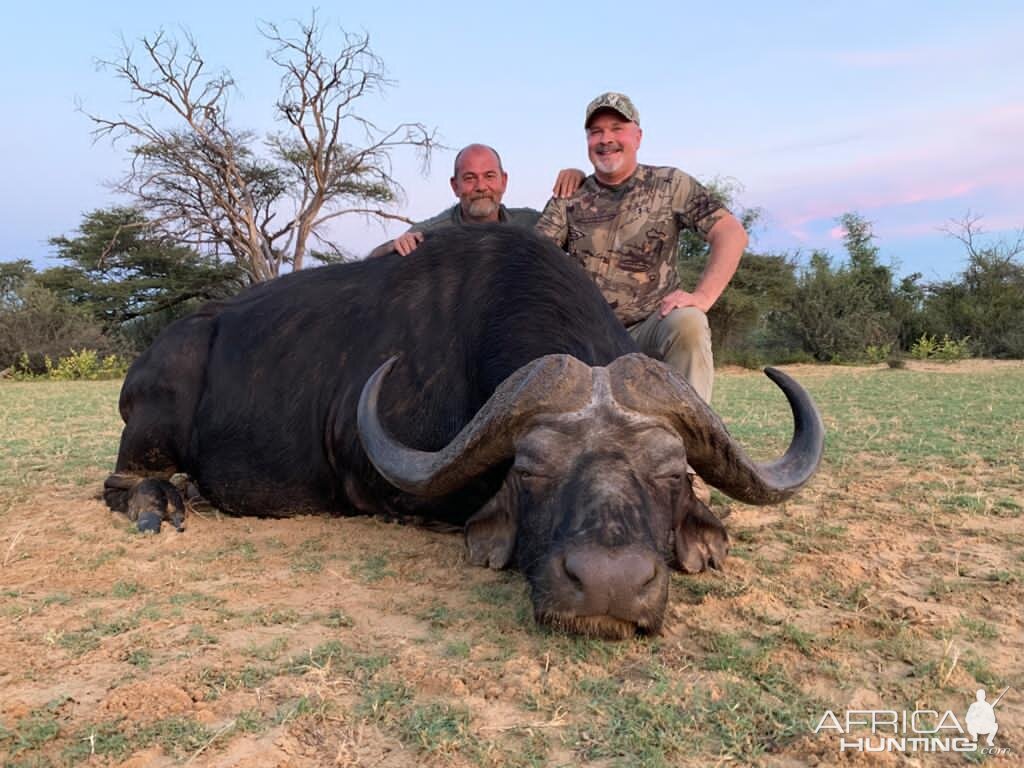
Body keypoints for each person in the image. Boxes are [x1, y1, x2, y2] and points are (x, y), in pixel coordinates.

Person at [535, 92, 749, 503]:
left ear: (638, 135)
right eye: (596, 131)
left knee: (687, 323)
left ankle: (686, 466)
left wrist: (702, 296)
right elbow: (534, 261)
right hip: (587, 339)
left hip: (648, 329)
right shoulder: (570, 196)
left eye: (617, 129)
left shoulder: (670, 183)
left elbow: (731, 233)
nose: (606, 140)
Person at [368, 143, 541, 258]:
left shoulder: (532, 224)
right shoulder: (432, 232)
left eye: (489, 176)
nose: (481, 186)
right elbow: (372, 260)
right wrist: (393, 246)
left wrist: (569, 174)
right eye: (469, 178)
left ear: (503, 181)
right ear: (455, 186)